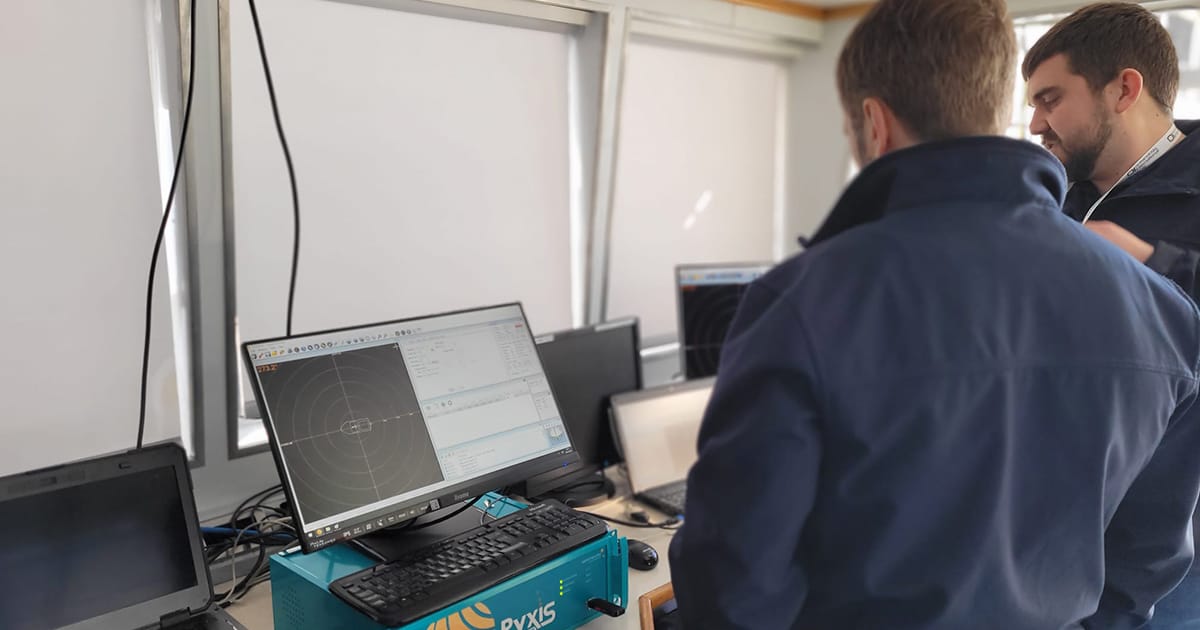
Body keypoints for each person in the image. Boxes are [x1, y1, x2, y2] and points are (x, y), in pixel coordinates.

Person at [667, 0, 1200, 627]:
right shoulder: (1163, 310)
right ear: (989, 107)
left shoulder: (802, 302)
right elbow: (1150, 551)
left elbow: (731, 578)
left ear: (874, 123)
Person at [1022, 4, 1200, 626]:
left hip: (1172, 565)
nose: (1035, 123)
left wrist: (1151, 261)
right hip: (1054, 543)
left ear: (1124, 89)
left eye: (1050, 100)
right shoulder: (1049, 202)